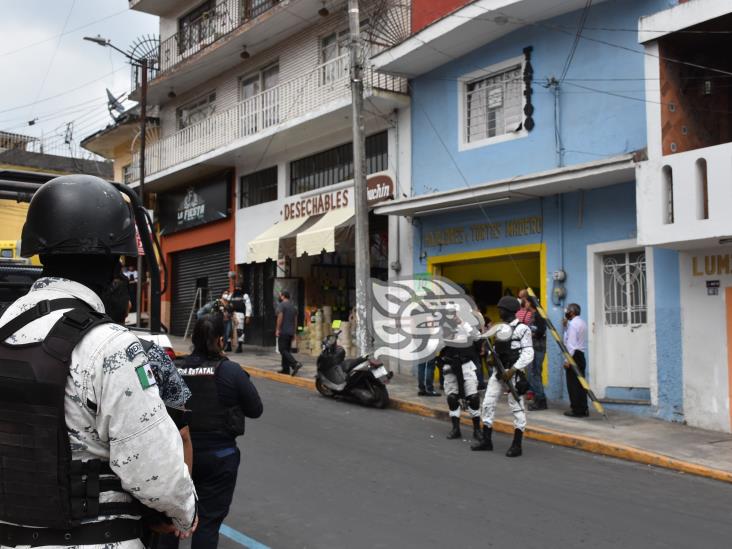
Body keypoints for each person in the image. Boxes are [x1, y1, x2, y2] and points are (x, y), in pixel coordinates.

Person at [0, 175, 197, 544]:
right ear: (111, 265)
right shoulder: (111, 345)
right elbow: (157, 474)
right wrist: (185, 512)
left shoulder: (5, 326)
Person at [162, 313, 263, 549]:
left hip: (178, 458)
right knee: (207, 523)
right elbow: (255, 409)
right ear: (220, 340)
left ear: (194, 340)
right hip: (218, 459)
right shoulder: (231, 372)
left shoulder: (174, 369)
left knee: (169, 521)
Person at [103, 272, 193, 470]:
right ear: (128, 308)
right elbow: (182, 432)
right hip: (149, 472)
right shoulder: (152, 354)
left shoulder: (76, 353)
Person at [472, 296, 533, 457]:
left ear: (508, 311)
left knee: (517, 407)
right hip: (499, 373)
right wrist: (493, 359)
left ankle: (517, 445)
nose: (498, 311)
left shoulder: (522, 329)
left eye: (501, 309)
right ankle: (486, 441)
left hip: (514, 374)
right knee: (487, 403)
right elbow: (497, 350)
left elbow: (528, 353)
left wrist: (512, 370)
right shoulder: (500, 329)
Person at [438, 305, 482, 441]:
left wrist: (462, 323)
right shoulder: (442, 325)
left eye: (454, 312)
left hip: (466, 365)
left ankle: (477, 430)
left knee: (473, 398)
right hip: (450, 365)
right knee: (452, 397)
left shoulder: (466, 323)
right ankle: (455, 428)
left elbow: (477, 336)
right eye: (449, 313)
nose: (452, 315)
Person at [518, 292, 548, 411]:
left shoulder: (539, 315)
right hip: (532, 347)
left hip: (538, 348)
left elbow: (540, 331)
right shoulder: (532, 315)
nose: (524, 303)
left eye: (526, 301)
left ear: (530, 303)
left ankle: (541, 400)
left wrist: (529, 332)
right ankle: (538, 398)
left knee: (534, 374)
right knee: (533, 374)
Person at [563, 303, 589, 417]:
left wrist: (567, 360)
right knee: (581, 384)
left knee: (573, 384)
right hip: (581, 355)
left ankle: (576, 410)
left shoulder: (573, 324)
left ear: (572, 312)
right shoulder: (582, 322)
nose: (566, 312)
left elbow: (571, 345)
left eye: (568, 310)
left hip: (574, 355)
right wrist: (565, 327)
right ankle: (583, 408)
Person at [275, 290, 302, 376]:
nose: (279, 297)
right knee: (286, 350)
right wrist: (294, 333)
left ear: (283, 296)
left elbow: (280, 317)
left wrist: (278, 329)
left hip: (284, 331)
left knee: (282, 349)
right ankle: (285, 369)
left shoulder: (282, 305)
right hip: (290, 332)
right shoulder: (293, 306)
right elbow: (295, 320)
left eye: (280, 295)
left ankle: (295, 363)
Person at [230, 284, 252, 353]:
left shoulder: (245, 295)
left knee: (239, 331)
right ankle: (228, 345)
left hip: (240, 315)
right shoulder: (232, 295)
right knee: (230, 331)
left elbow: (248, 306)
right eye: (236, 287)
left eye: (239, 287)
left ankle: (240, 346)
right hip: (232, 315)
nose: (237, 288)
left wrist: (248, 316)